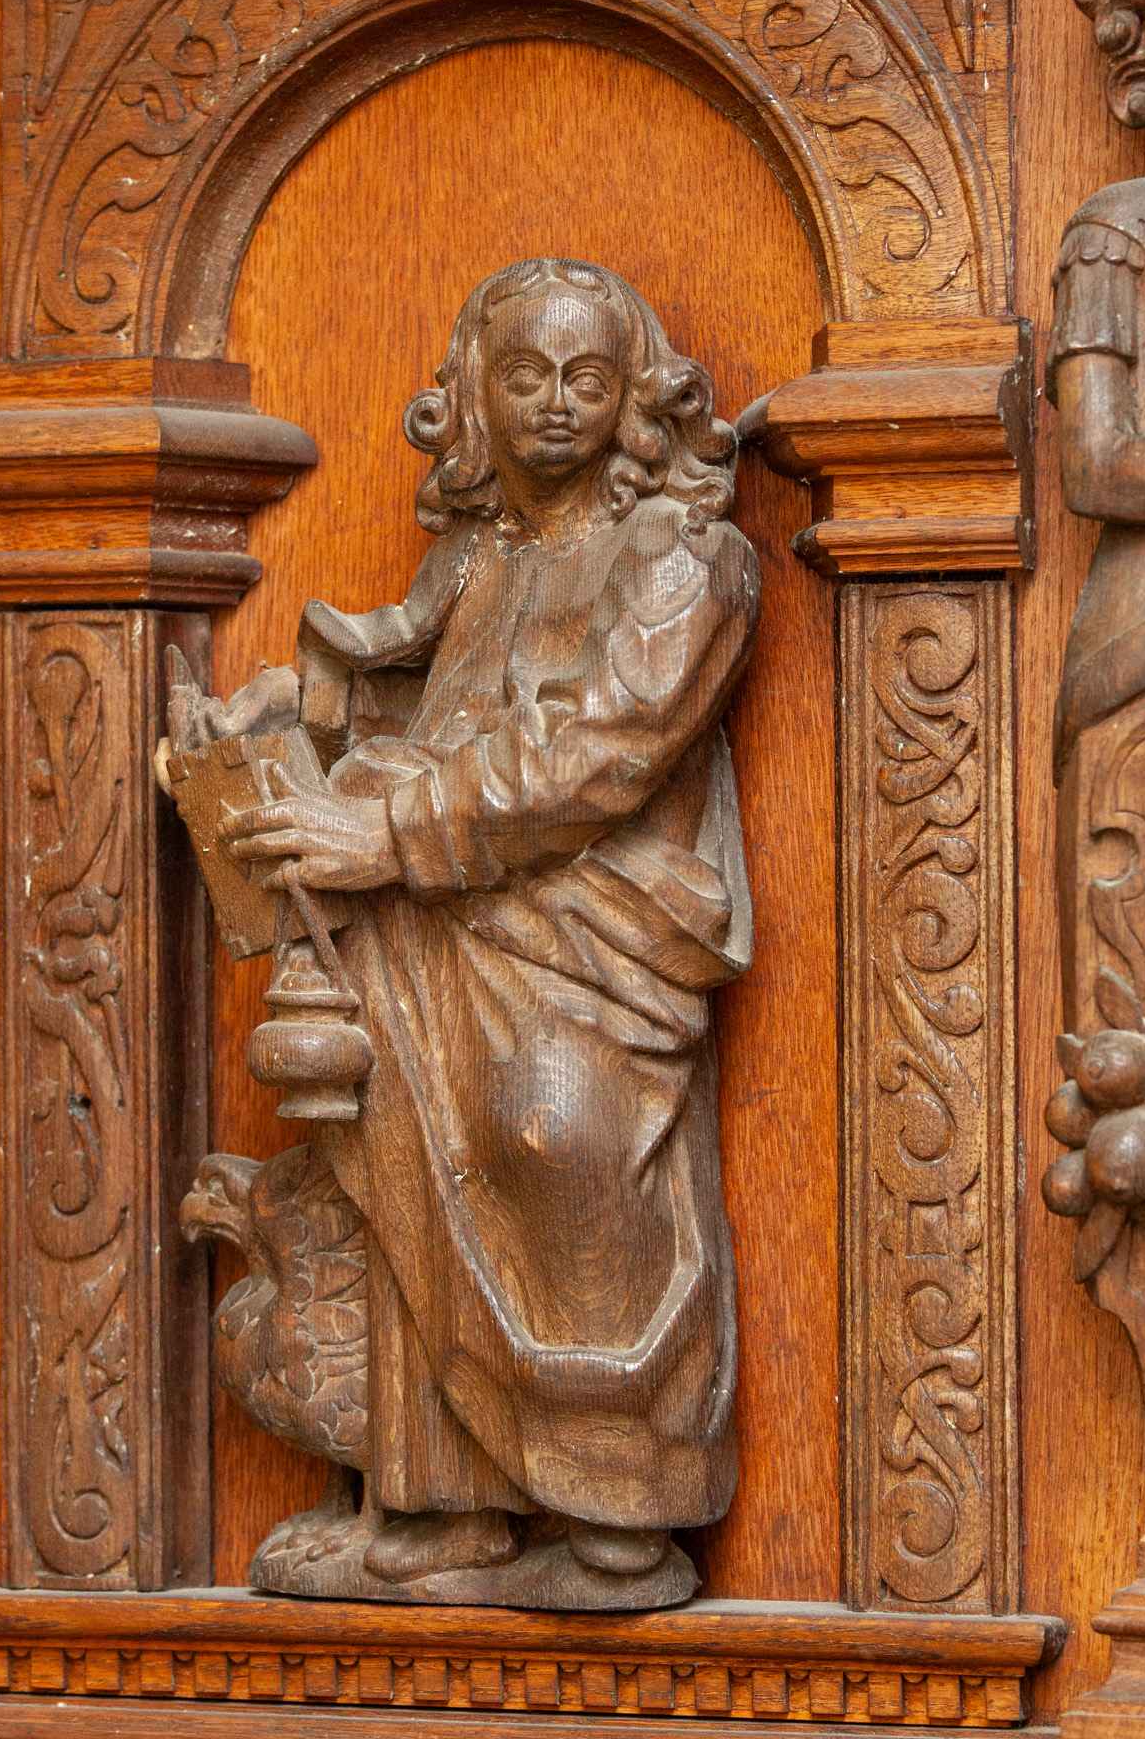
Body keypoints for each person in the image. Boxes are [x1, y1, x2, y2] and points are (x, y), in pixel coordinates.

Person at [206, 258, 760, 1601]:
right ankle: (438, 1511)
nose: (556, 403)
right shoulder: (474, 557)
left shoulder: (686, 557)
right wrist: (279, 731)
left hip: (595, 931)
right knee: (403, 1165)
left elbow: (606, 751)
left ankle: (623, 1519)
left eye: (588, 377)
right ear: (472, 396)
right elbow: (412, 691)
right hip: (437, 920)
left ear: (637, 400)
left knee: (553, 1138)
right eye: (524, 376)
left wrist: (388, 832)